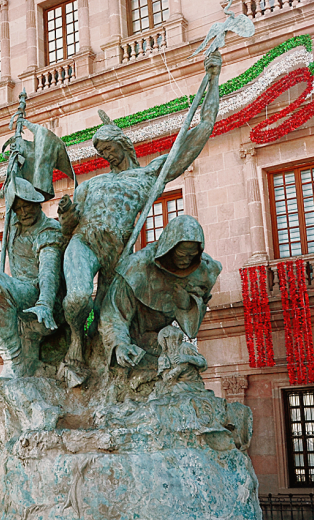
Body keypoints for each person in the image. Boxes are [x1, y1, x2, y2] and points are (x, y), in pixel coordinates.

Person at [57, 52, 223, 386]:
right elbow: (69, 228)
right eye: (101, 151)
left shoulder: (147, 177)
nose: (106, 155)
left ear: (124, 145)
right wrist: (67, 216)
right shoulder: (91, 185)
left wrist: (213, 78)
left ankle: (107, 357)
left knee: (109, 309)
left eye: (110, 148)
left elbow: (201, 132)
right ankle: (74, 342)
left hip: (117, 255)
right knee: (76, 298)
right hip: (84, 243)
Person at [98, 215, 222, 372]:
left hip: (162, 339)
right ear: (169, 248)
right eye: (181, 255)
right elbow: (114, 313)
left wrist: (186, 305)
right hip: (131, 335)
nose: (186, 261)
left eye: (192, 256)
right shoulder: (136, 268)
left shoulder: (205, 271)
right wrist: (120, 344)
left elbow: (193, 325)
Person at [0, 177, 65, 378]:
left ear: (37, 203)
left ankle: (15, 359)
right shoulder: (13, 222)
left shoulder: (48, 229)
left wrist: (45, 304)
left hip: (39, 295)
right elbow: (13, 181)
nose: (23, 212)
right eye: (18, 208)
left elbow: (48, 271)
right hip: (22, 292)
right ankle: (14, 356)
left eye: (27, 206)